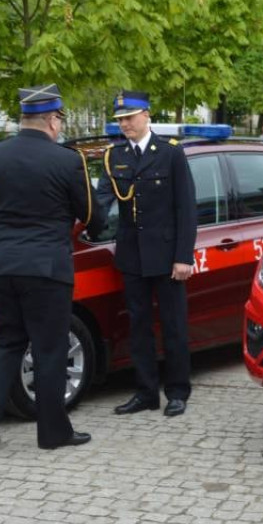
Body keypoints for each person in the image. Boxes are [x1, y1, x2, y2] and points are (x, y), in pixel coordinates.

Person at [0, 84, 103, 449]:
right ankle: (53, 432)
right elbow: (89, 213)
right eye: (60, 120)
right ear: (53, 120)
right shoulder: (68, 160)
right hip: (46, 268)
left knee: (4, 341)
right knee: (49, 348)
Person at [94, 91, 198, 418]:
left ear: (147, 115)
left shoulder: (170, 154)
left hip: (167, 256)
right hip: (132, 256)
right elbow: (100, 206)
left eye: (130, 117)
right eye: (120, 119)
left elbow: (186, 208)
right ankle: (146, 392)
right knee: (138, 327)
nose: (124, 124)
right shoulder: (115, 156)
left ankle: (178, 391)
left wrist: (184, 256)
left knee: (173, 326)